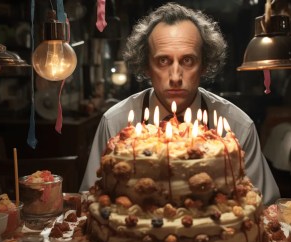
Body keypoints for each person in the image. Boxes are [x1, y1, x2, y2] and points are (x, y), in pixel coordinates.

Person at [80, 3, 280, 204]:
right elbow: (90, 200)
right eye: (163, 61)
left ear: (204, 65)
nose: (175, 76)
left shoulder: (238, 126)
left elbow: (265, 206)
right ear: (146, 66)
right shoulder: (115, 122)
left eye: (187, 61)